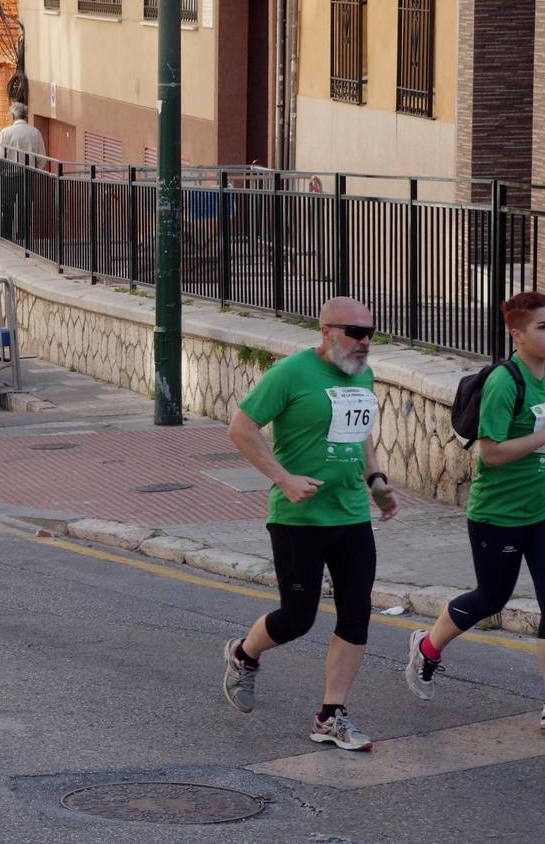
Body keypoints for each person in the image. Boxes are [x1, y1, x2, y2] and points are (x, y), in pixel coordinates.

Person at [404, 292, 545, 732]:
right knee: (491, 598)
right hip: (498, 514)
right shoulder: (504, 382)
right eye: (542, 327)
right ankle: (428, 647)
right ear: (517, 334)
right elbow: (491, 453)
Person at [221, 296, 399, 752]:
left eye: (370, 334)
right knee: (297, 619)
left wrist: (375, 480)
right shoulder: (292, 373)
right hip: (299, 519)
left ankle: (331, 714)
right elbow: (241, 428)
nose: (364, 343)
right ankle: (244, 654)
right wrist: (283, 478)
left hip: (351, 513)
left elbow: (359, 433)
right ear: (326, 332)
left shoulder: (363, 374)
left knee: (356, 611)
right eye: (355, 333)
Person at [0, 102, 47, 243]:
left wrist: (0, 171)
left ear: (13, 116)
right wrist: (34, 169)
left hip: (9, 176)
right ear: (25, 115)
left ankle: (6, 236)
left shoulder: (5, 133)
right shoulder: (35, 133)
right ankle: (23, 238)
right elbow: (42, 159)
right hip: (27, 175)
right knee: (25, 207)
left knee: (7, 208)